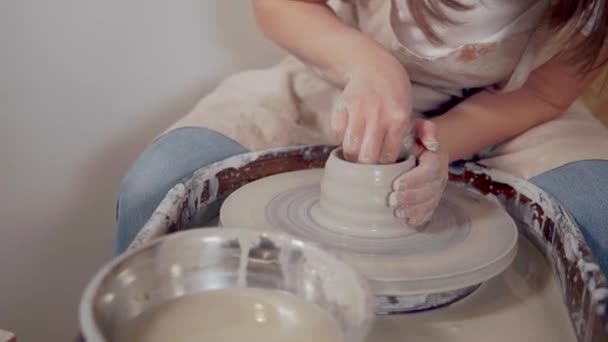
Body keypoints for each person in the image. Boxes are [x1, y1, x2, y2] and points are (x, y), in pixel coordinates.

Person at [114, 0, 608, 273]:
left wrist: (442, 143)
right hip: (340, 80)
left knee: (599, 215)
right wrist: (367, 63)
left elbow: (544, 95)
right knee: (161, 184)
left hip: (508, 107)